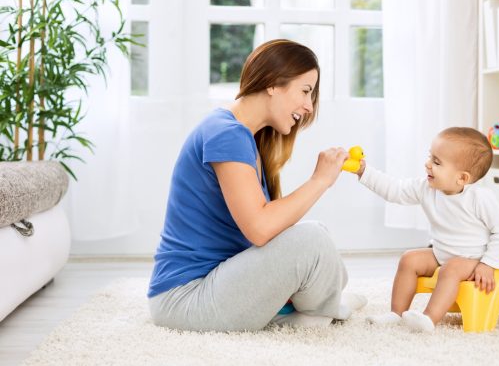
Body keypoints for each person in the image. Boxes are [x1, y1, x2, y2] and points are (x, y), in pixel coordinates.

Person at [148, 39, 366, 332]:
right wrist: (320, 180)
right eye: (305, 91)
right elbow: (260, 229)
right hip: (186, 299)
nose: (309, 106)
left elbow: (261, 236)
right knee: (312, 240)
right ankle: (321, 310)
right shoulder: (227, 134)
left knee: (316, 234)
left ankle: (312, 310)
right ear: (273, 84)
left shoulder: (241, 135)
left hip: (214, 284)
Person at [357, 127, 499, 333]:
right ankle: (396, 313)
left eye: (437, 162)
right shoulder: (426, 188)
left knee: (451, 270)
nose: (428, 164)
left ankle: (429, 319)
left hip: (471, 258)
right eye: (430, 157)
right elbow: (395, 190)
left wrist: (488, 264)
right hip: (441, 253)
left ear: (462, 178)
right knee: (409, 259)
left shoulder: (479, 198)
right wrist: (364, 171)